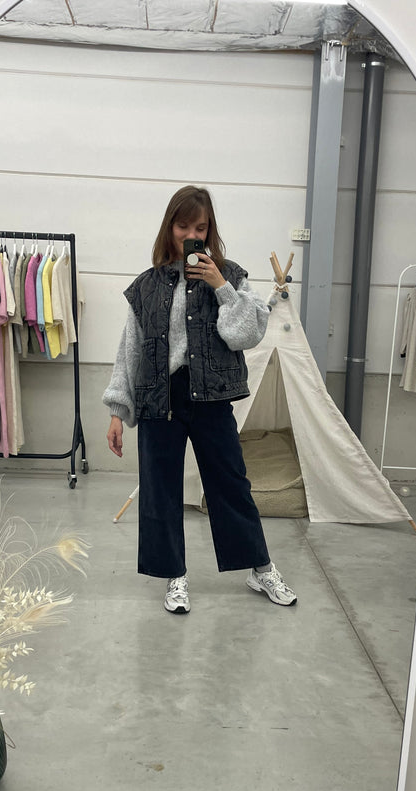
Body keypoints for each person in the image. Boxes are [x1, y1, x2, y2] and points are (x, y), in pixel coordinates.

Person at [103, 185, 297, 614]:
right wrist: (117, 411)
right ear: (169, 228)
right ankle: (175, 575)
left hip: (212, 395)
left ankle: (260, 568)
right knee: (161, 491)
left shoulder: (232, 276)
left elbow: (246, 334)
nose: (192, 235)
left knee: (231, 484)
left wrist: (221, 286)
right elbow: (130, 348)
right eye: (184, 226)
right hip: (160, 399)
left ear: (210, 230)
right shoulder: (147, 286)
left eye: (201, 228)